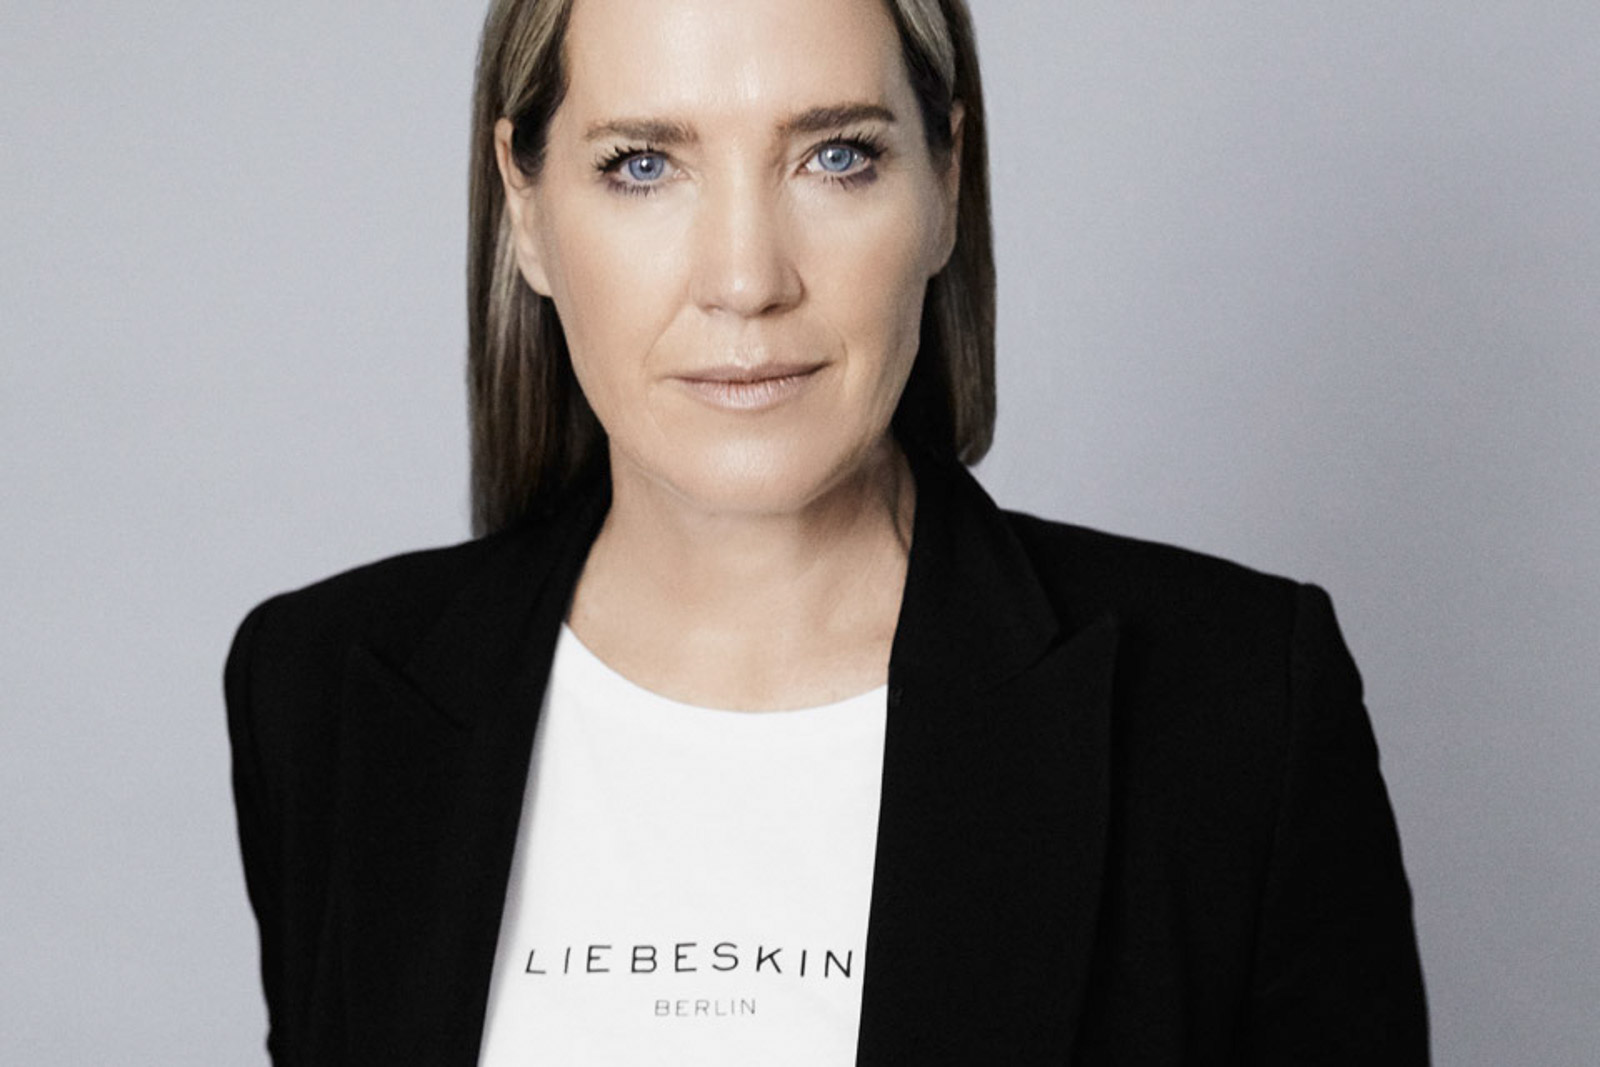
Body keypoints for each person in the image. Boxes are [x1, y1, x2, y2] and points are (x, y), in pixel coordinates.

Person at [225, 0, 1429, 1062]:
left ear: (946, 182)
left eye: (836, 156)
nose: (746, 278)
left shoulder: (1232, 711)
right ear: (526, 207)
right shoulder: (320, 692)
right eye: (643, 164)